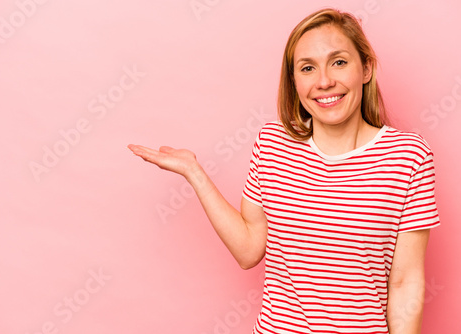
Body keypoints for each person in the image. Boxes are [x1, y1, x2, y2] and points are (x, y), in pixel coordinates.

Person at [127, 8, 439, 334]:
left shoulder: (408, 156)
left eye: (339, 62)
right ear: (294, 81)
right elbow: (249, 249)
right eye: (307, 68)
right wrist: (194, 172)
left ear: (366, 68)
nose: (324, 81)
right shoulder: (272, 144)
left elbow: (405, 284)